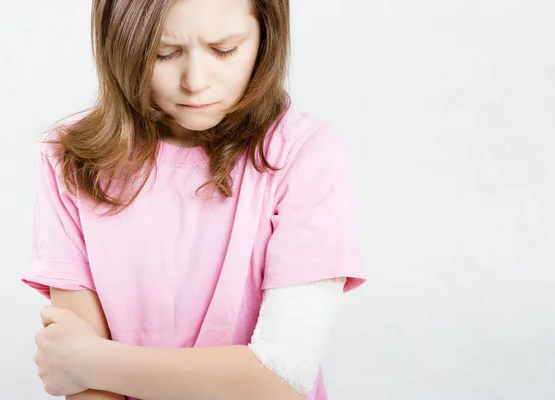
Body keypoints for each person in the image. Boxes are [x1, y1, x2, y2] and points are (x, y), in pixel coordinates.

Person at [22, 0, 367, 399]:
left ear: (266, 36)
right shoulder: (69, 157)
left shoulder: (305, 153)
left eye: (224, 49)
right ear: (120, 43)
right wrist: (84, 366)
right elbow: (87, 385)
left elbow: (282, 377)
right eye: (163, 53)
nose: (196, 81)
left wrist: (92, 363)